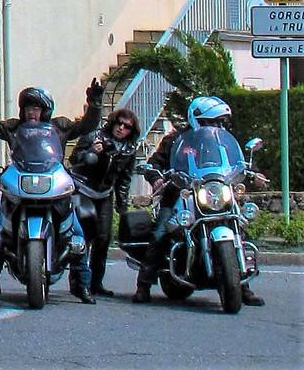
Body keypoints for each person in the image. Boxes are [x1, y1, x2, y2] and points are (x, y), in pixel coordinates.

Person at [0, 74, 101, 302]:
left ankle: (81, 286)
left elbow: (86, 125)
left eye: (37, 108)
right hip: (21, 180)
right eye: (28, 107)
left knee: (77, 232)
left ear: (45, 110)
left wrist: (95, 104)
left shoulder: (59, 127)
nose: (32, 112)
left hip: (52, 181)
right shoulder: (14, 127)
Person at [134, 96, 266, 307]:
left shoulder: (222, 141)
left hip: (215, 192)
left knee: (238, 229)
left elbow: (238, 161)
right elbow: (155, 163)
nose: (215, 125)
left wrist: (254, 173)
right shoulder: (176, 140)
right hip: (180, 195)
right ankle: (144, 285)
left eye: (219, 121)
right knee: (160, 232)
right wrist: (156, 176)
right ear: (196, 119)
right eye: (210, 121)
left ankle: (242, 287)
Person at [71, 106, 141, 302]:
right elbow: (74, 159)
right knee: (83, 235)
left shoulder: (129, 149)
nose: (121, 128)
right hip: (83, 188)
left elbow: (124, 179)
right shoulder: (95, 136)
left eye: (127, 126)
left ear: (131, 131)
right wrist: (90, 152)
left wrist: (122, 204)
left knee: (103, 238)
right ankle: (79, 283)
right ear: (113, 122)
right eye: (119, 123)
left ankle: (96, 283)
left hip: (104, 194)